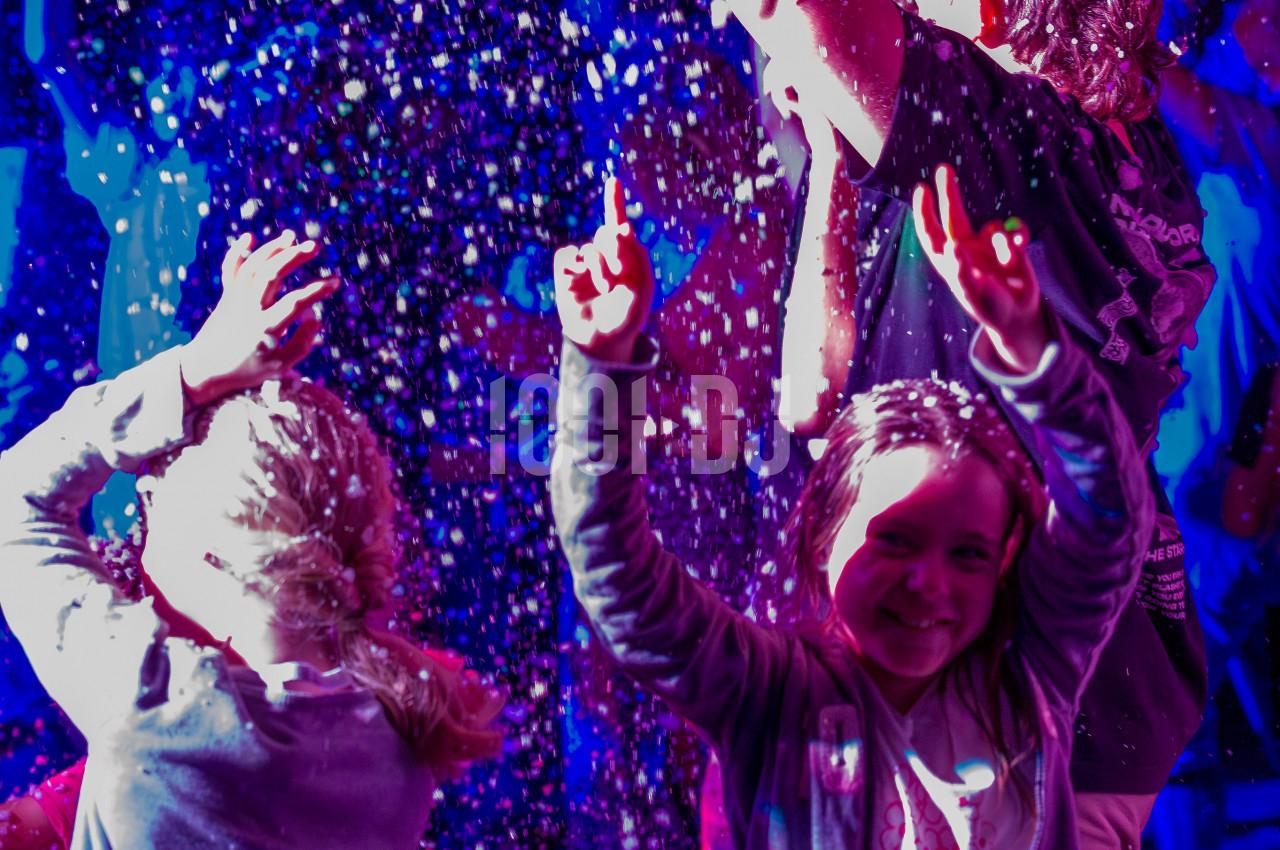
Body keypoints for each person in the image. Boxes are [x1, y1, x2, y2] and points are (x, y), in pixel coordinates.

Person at [723, 0, 1214, 839]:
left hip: (1028, 724)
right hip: (1049, 708)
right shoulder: (1113, 153)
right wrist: (831, 161)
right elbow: (809, 395)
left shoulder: (1009, 140)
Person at [551, 171, 1153, 847]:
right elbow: (618, 575)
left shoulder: (1027, 675)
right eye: (894, 540)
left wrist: (1031, 348)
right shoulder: (769, 692)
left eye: (968, 554)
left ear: (1004, 564)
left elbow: (1111, 514)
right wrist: (600, 362)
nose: (929, 582)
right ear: (823, 532)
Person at [0, 230, 502, 849]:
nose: (134, 559)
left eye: (150, 519)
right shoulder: (402, 740)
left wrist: (190, 373)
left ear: (214, 553)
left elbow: (15, 499)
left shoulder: (153, 706)